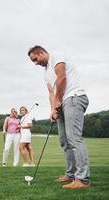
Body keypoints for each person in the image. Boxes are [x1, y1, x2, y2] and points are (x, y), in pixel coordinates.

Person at [28, 45, 90, 189]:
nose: (36, 63)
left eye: (35, 59)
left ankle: (83, 179)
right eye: (33, 62)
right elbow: (51, 92)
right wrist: (53, 109)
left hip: (74, 97)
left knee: (74, 138)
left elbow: (62, 78)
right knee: (64, 140)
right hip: (62, 103)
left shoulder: (57, 55)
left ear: (41, 52)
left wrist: (58, 101)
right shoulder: (45, 73)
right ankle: (71, 174)